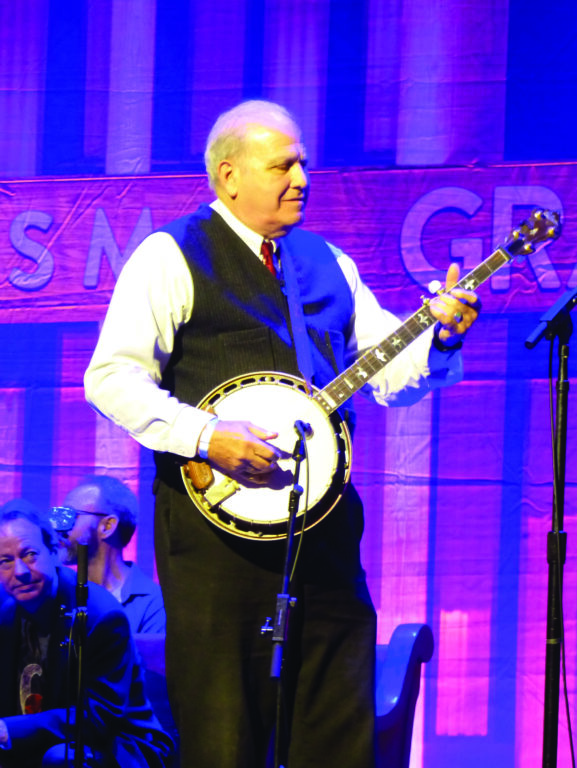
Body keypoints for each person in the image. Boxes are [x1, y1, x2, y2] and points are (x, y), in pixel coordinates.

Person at [83, 100, 480, 767]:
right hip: (216, 547)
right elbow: (112, 378)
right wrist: (208, 436)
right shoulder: (171, 255)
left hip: (324, 539)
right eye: (284, 164)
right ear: (230, 175)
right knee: (224, 734)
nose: (302, 177)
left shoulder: (328, 263)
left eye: (303, 163)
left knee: (336, 731)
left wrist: (437, 337)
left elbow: (389, 374)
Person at [0, 501, 173, 767]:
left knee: (60, 758)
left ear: (53, 551)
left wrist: (9, 729)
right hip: (43, 738)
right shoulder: (7, 615)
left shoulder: (99, 615)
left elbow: (98, 717)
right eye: (5, 561)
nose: (20, 572)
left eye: (30, 554)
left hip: (120, 744)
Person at [54, 475, 165, 636]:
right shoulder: (57, 593)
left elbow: (150, 660)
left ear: (107, 526)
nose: (60, 528)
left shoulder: (152, 604)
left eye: (70, 515)